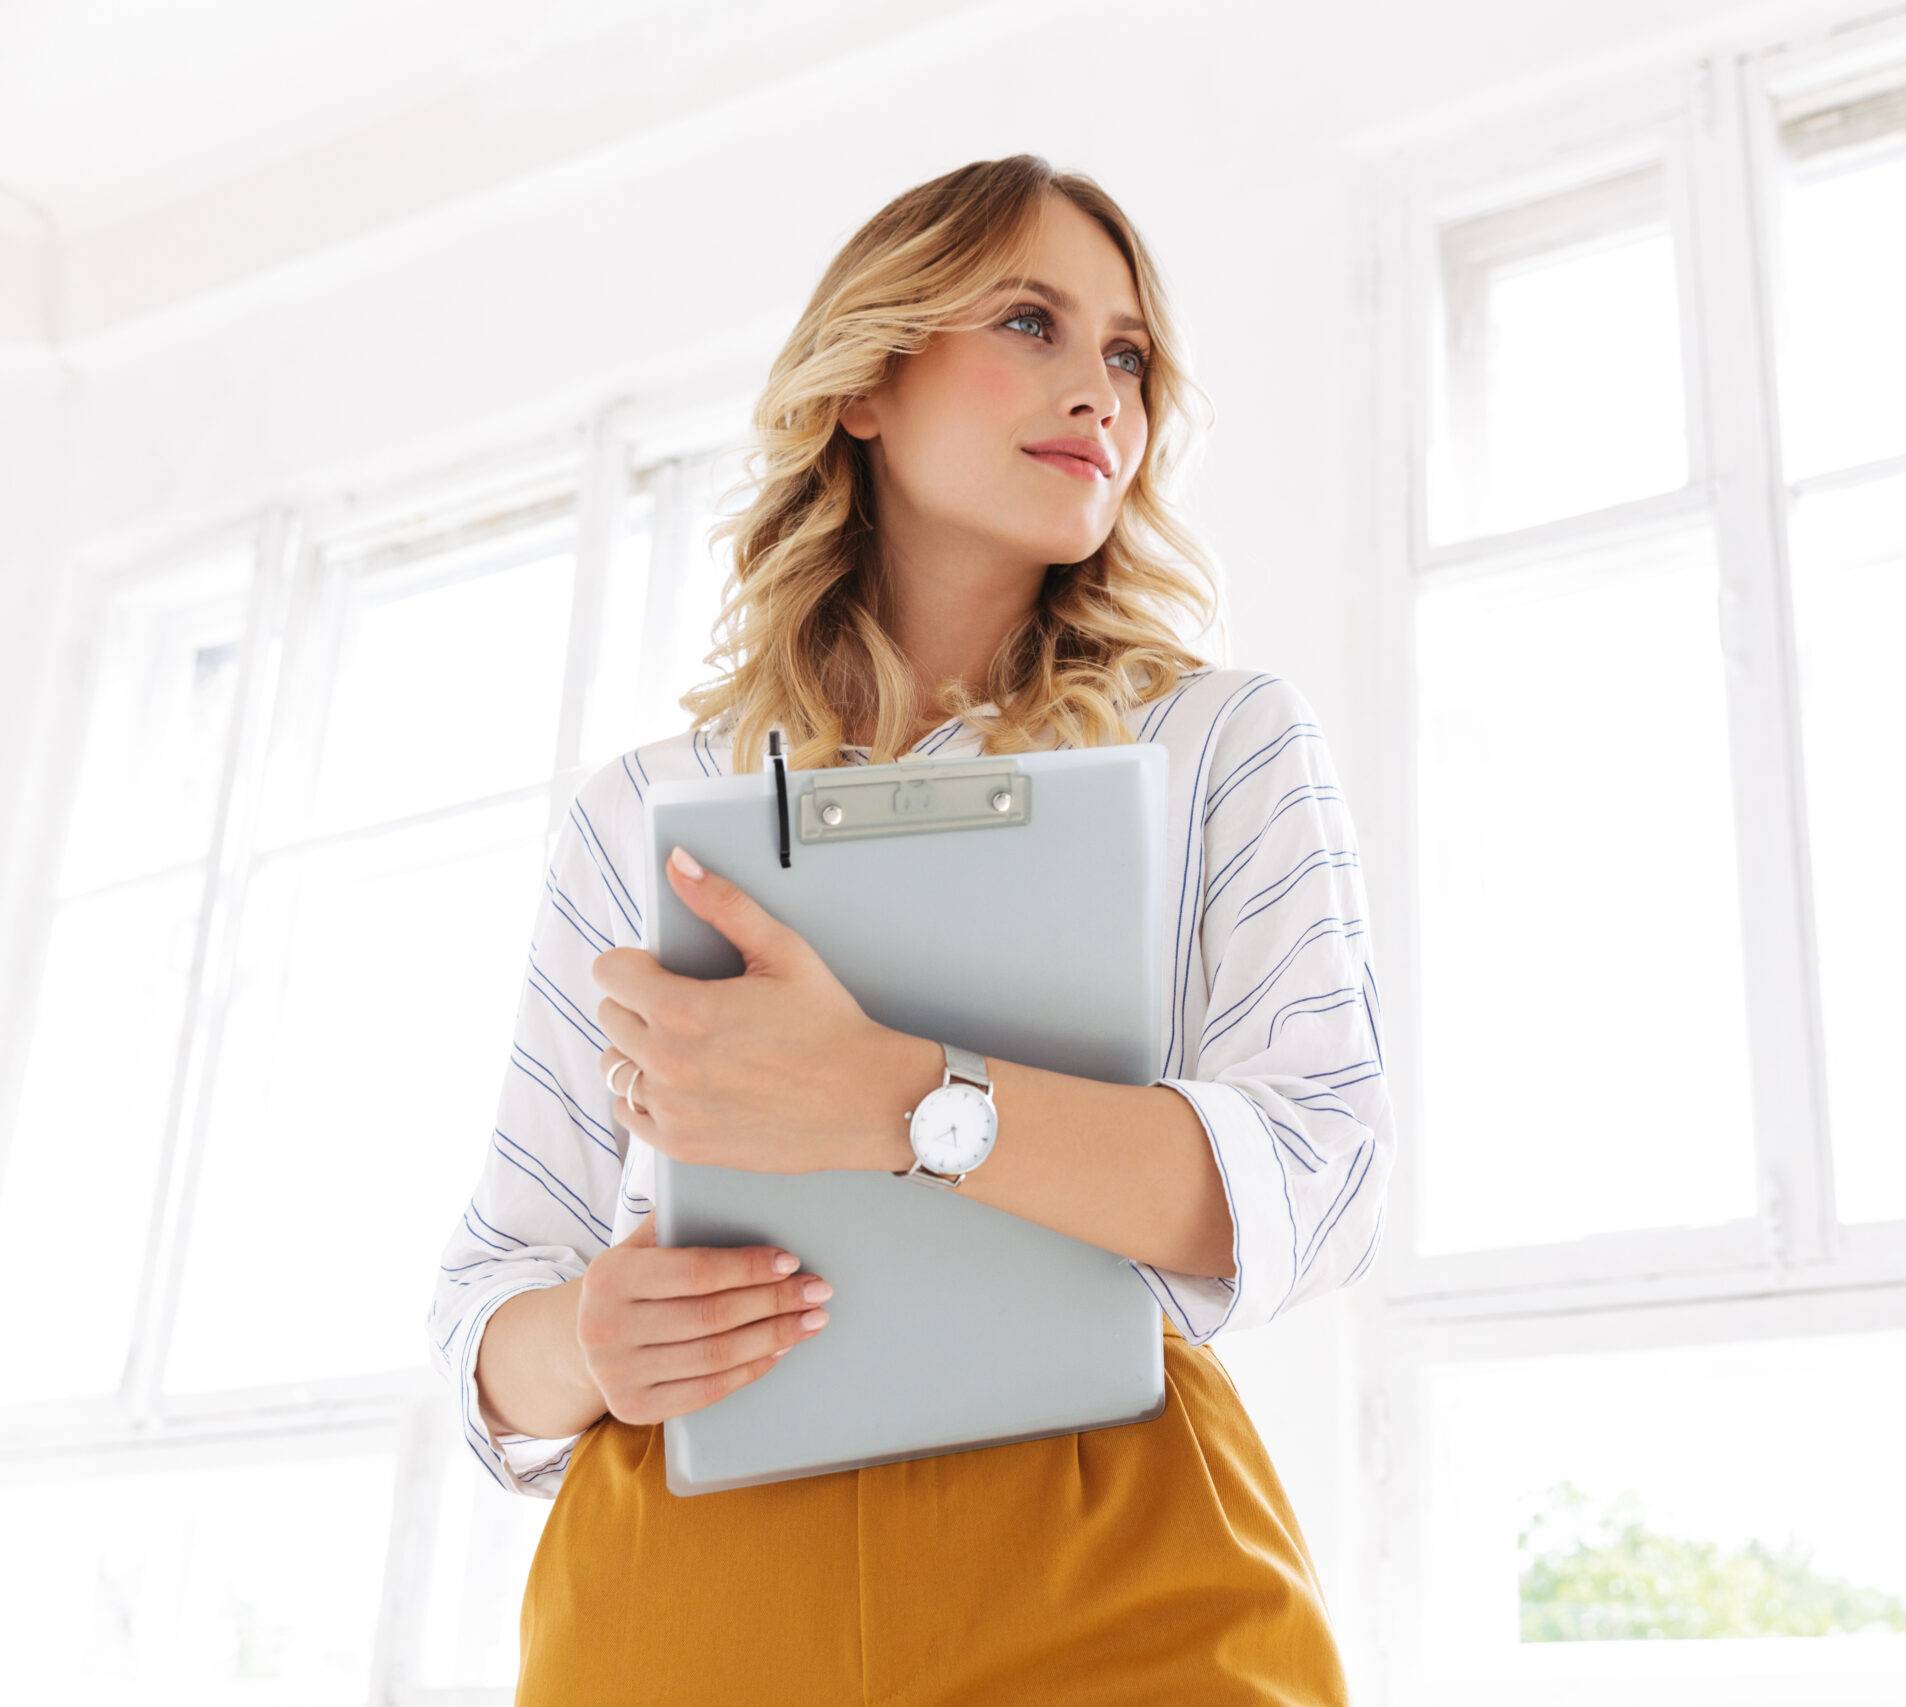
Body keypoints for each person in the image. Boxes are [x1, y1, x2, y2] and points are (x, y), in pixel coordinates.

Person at [422, 153, 1396, 1704]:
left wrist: (894, 1098)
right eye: (1032, 321)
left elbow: (1322, 1183)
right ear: (867, 380)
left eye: (1130, 355)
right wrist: (590, 1346)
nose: (1102, 393)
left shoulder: (1219, 743)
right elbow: (497, 1297)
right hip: (686, 1571)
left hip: (1115, 1543)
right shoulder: (641, 810)